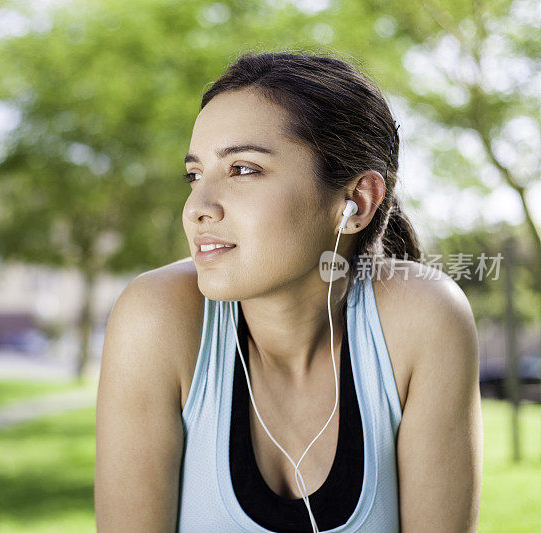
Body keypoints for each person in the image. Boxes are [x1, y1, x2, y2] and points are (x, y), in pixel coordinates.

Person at [95, 51, 482, 532]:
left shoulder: (422, 318)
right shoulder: (158, 316)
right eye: (194, 175)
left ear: (355, 202)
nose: (197, 206)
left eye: (243, 169)